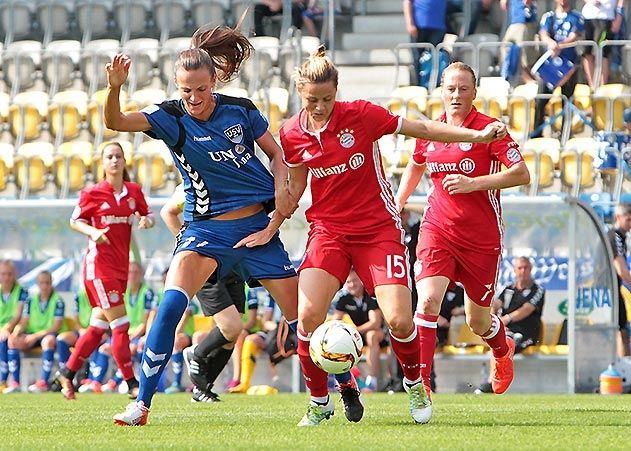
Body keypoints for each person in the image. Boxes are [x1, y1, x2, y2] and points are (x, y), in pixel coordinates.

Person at [279, 47, 507, 426]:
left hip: (377, 231)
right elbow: (294, 186)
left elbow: (423, 128)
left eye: (327, 99)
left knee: (401, 321)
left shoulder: (362, 116)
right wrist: (272, 219)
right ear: (300, 95)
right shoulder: (292, 133)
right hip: (329, 232)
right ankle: (320, 402)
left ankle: (415, 383)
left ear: (338, 91)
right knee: (306, 316)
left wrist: (477, 137)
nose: (320, 108)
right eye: (311, 101)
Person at [105, 23, 301, 426]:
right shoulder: (171, 117)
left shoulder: (241, 110)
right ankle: (140, 404)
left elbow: (278, 153)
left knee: (304, 318)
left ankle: (343, 389)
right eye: (186, 90)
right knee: (170, 306)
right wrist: (114, 88)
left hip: (256, 231)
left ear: (214, 80)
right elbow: (117, 123)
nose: (194, 98)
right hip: (205, 231)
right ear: (178, 87)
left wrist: (282, 194)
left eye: (201, 89)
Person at [395, 61, 530, 420]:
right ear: (441, 90)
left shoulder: (489, 129)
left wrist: (475, 184)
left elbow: (522, 173)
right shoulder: (431, 129)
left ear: (474, 93)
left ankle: (502, 348)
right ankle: (420, 387)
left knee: (478, 321)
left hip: (481, 239)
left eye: (463, 89)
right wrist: (398, 201)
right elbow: (417, 163)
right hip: (437, 229)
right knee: (426, 303)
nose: (456, 95)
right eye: (450, 88)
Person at [53, 141, 155, 401]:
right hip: (99, 269)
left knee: (98, 327)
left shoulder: (134, 191)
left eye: (118, 156)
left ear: (124, 161)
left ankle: (67, 372)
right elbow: (75, 221)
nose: (114, 160)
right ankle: (132, 383)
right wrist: (93, 231)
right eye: (109, 156)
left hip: (121, 268)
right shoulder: (93, 193)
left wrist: (146, 220)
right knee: (121, 325)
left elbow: (149, 215)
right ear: (102, 163)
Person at [160, 183, 253, 402]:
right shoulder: (196, 181)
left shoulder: (235, 177)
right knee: (231, 327)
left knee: (231, 336)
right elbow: (168, 212)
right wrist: (188, 243)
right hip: (206, 263)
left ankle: (202, 389)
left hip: (233, 265)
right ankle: (197, 353)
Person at [476, 256, 545, 393]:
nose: (523, 271)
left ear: (531, 269)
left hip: (528, 333)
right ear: (514, 270)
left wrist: (505, 319)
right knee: (500, 339)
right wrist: (494, 318)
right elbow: (495, 304)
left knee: (505, 341)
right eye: (520, 268)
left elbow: (527, 309)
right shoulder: (508, 289)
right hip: (507, 330)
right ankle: (495, 381)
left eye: (526, 267)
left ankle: (492, 382)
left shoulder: (537, 290)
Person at [5, 271, 65, 394]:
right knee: (13, 342)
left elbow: (55, 326)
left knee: (48, 341)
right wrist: (16, 332)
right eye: (42, 283)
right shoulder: (31, 300)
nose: (44, 286)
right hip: (32, 335)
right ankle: (15, 383)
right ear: (37, 284)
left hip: (48, 335)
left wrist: (35, 336)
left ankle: (43, 382)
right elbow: (23, 321)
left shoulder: (58, 300)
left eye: (47, 283)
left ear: (51, 283)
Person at [531, 0, 584, 138]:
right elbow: (543, 34)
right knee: (541, 99)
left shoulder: (576, 17)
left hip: (569, 65)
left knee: (567, 101)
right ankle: (537, 134)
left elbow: (574, 36)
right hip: (551, 65)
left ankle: (565, 135)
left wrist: (559, 45)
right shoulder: (549, 16)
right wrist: (551, 43)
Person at [102, 261, 153, 393]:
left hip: (138, 334)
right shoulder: (123, 292)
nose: (132, 275)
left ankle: (115, 383)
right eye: (130, 272)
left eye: (136, 272)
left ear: (141, 274)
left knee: (129, 348)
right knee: (104, 348)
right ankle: (94, 381)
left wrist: (130, 337)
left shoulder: (147, 293)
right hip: (123, 333)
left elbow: (145, 322)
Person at [332, 269, 385, 393]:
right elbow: (335, 321)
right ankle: (350, 380)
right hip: (358, 336)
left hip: (378, 334)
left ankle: (372, 381)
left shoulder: (371, 296)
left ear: (361, 281)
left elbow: (375, 323)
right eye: (349, 282)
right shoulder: (344, 298)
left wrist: (354, 331)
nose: (352, 285)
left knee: (371, 336)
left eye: (355, 281)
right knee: (339, 340)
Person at [581, 0, 625, 88]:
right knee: (587, 53)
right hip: (587, 17)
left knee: (602, 54)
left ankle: (602, 87)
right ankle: (592, 87)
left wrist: (619, 16)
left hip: (606, 17)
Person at [403, 0, 447, 87]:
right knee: (417, 58)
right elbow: (407, 2)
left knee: (436, 57)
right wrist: (409, 23)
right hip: (419, 26)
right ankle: (419, 86)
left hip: (438, 26)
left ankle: (435, 84)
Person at [0, 260, 28, 393]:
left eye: (9, 274)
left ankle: (11, 382)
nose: (6, 277)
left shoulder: (21, 291)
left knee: (9, 341)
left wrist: (6, 329)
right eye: (3, 274)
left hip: (16, 329)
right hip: (3, 330)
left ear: (14, 275)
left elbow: (18, 315)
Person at [607, 203, 631, 357]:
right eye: (628, 220)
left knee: (621, 331)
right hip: (610, 290)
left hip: (612, 289)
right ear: (618, 217)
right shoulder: (615, 236)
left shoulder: (620, 237)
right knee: (619, 332)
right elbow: (621, 270)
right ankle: (622, 374)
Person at [56, 287, 93, 376]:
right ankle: (65, 371)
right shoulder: (79, 296)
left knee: (92, 341)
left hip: (97, 332)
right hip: (82, 331)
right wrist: (81, 330)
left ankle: (91, 378)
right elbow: (76, 320)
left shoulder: (101, 294)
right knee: (62, 339)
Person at [500, 0, 538, 84]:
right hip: (521, 18)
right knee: (509, 46)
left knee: (522, 49)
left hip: (523, 19)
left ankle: (526, 76)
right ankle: (520, 76)